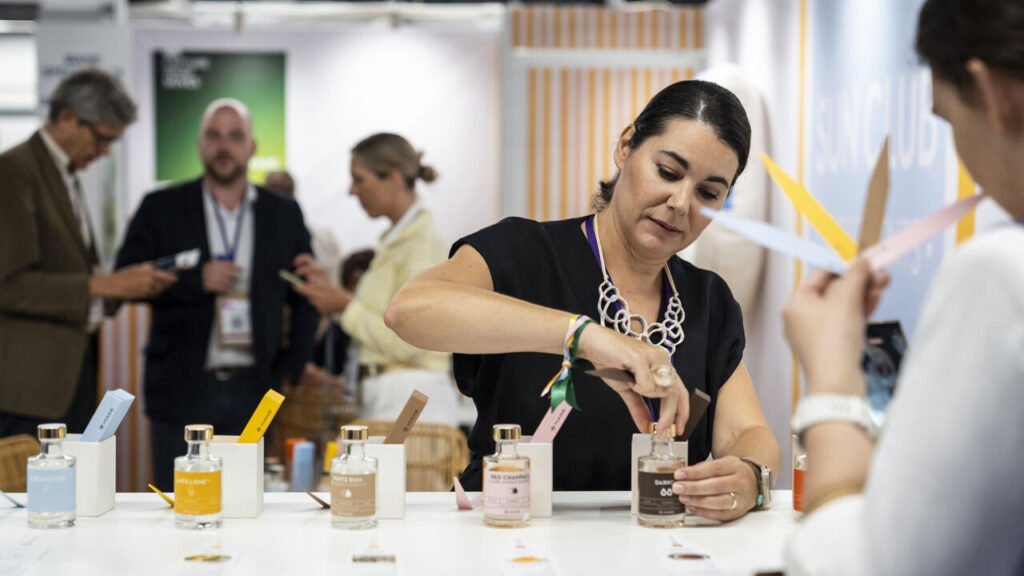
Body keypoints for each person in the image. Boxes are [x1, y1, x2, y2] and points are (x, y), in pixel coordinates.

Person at [386, 80, 780, 519]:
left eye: (708, 193)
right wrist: (583, 335)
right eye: (667, 172)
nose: (680, 202)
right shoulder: (522, 253)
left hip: (647, 545)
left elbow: (750, 431)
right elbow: (409, 309)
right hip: (507, 537)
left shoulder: (708, 300)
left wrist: (750, 477)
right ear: (626, 146)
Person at [783, 1, 1024, 573]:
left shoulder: (1000, 276)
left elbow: (876, 565)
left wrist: (832, 376)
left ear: (990, 94)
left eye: (945, 119)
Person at [115, 98, 318, 490]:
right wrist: (193, 280)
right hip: (181, 386)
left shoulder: (283, 213)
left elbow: (306, 292)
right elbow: (126, 276)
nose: (224, 146)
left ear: (252, 147)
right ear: (200, 144)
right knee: (182, 504)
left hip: (256, 387)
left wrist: (291, 369)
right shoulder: (161, 207)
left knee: (247, 504)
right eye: (214, 135)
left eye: (235, 136)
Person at [0, 69, 176, 437]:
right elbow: (10, 284)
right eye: (101, 138)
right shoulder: (14, 171)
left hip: (66, 378)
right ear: (66, 118)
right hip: (25, 391)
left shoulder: (62, 175)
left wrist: (124, 286)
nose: (104, 152)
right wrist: (105, 286)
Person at [292, 133, 459, 427]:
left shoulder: (421, 244)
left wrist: (345, 305)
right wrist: (333, 292)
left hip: (410, 394)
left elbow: (412, 338)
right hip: (393, 391)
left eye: (359, 179)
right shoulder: (399, 242)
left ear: (392, 177)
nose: (351, 191)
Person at [264, 170, 344, 286]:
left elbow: (336, 280)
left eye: (284, 189)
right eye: (275, 189)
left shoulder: (324, 236)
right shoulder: (253, 236)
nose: (280, 198)